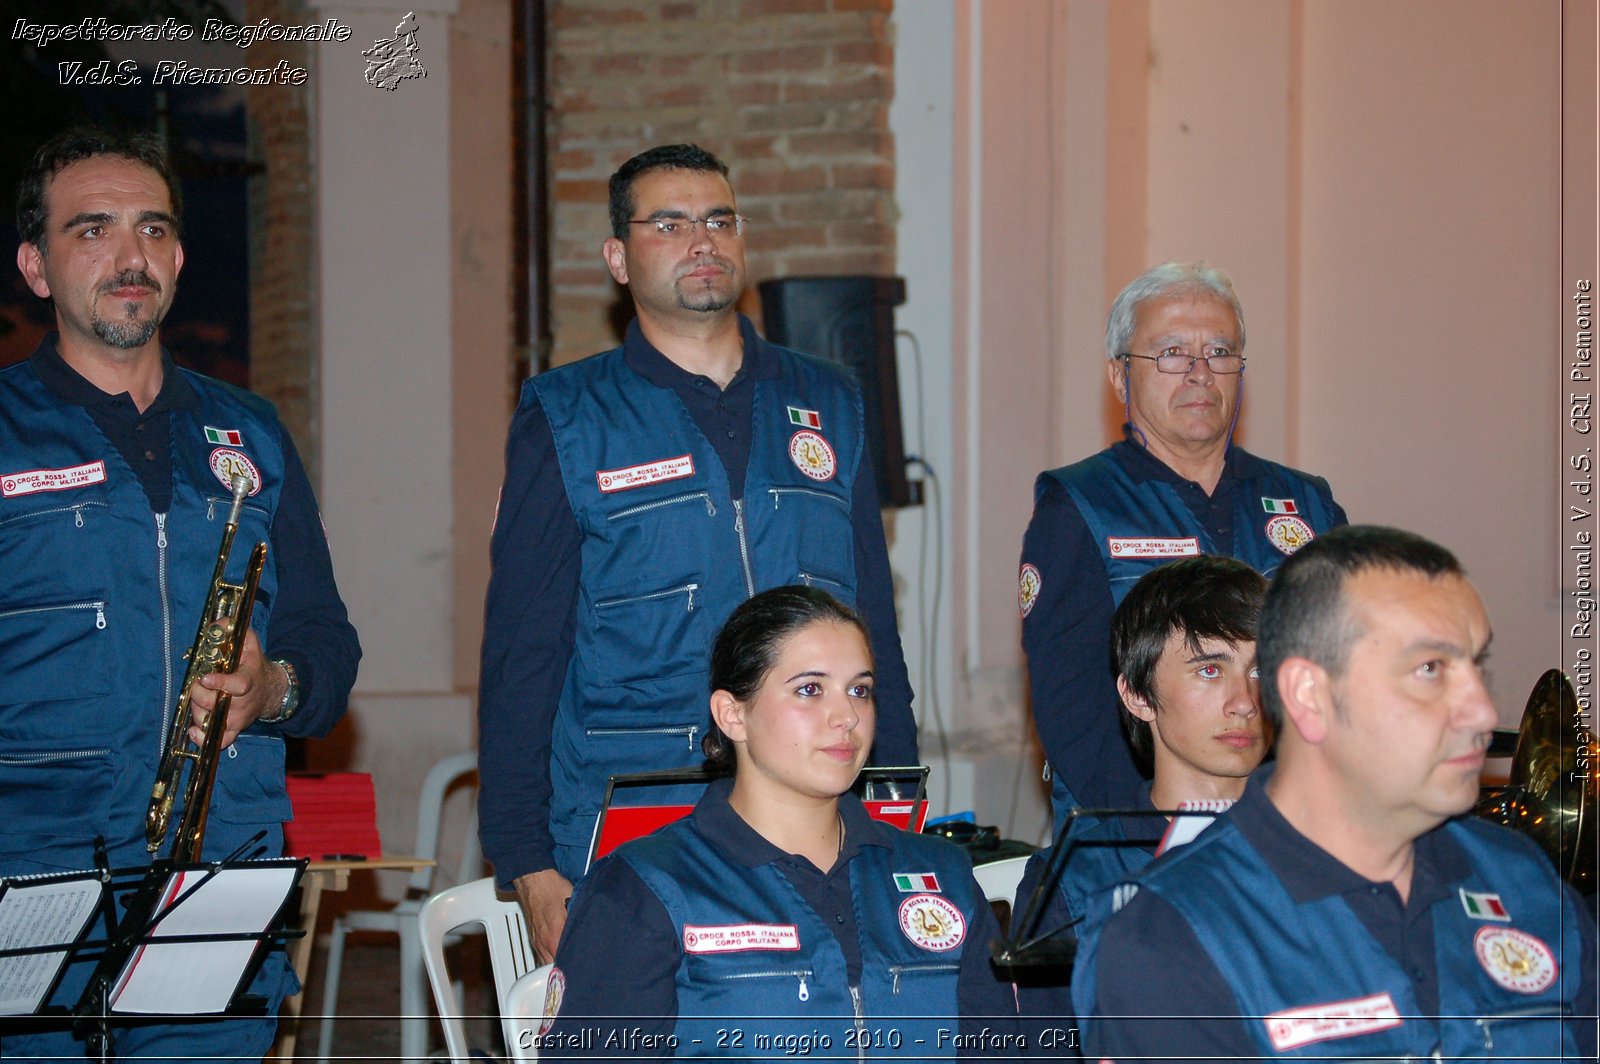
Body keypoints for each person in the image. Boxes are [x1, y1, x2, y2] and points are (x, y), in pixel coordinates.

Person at [478, 143, 917, 961]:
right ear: (618, 257)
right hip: (633, 813)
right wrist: (526, 859)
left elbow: (874, 626)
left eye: (720, 219)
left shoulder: (830, 401)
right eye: (670, 223)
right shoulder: (568, 416)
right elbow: (522, 652)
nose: (703, 240)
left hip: (810, 807)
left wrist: (897, 801)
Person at [0, 128, 360, 1060]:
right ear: (36, 267)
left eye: (153, 230)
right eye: (94, 230)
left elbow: (323, 635)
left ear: (179, 258)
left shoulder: (251, 430)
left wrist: (272, 689)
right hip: (27, 871)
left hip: (218, 873)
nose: (131, 256)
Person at [1073, 526, 1598, 1061]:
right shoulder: (1169, 933)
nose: (1482, 711)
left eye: (1475, 666)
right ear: (1308, 694)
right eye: (1429, 670)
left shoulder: (1524, 880)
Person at [537, 586, 1018, 1058]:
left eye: (860, 690)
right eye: (810, 689)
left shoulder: (944, 877)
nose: (846, 716)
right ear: (732, 715)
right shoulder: (644, 888)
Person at [1020, 261, 1345, 831]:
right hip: (1135, 839)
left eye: (1220, 353)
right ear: (1121, 376)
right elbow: (1074, 710)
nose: (1200, 373)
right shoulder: (1081, 506)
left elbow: (1343, 676)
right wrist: (1156, 832)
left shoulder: (1305, 504)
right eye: (1171, 353)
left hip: (1291, 827)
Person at [1012, 555, 1267, 1016]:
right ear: (1137, 696)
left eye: (1260, 671)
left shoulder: (1332, 846)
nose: (1244, 702)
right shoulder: (1077, 876)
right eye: (1210, 670)